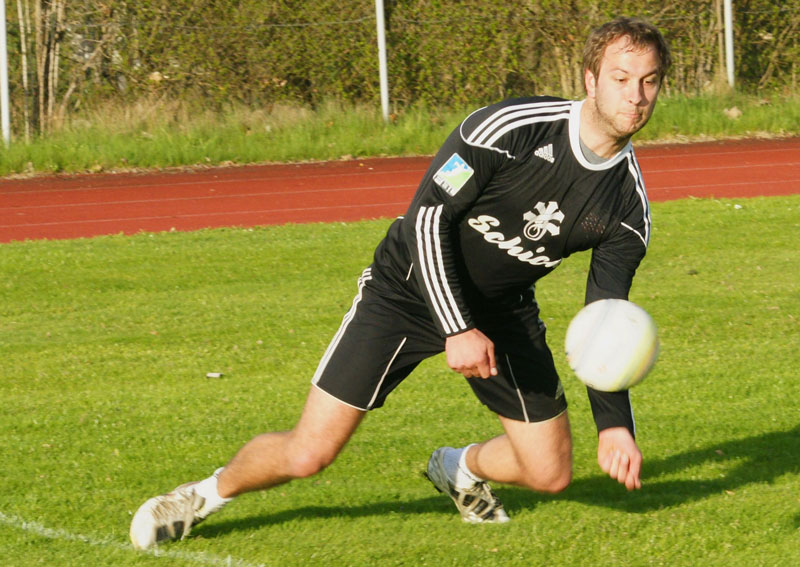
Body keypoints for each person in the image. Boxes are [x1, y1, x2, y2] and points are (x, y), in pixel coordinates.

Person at [129, 16, 672, 549]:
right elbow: (428, 218)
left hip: (502, 312)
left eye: (648, 81)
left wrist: (614, 426)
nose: (635, 96)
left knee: (549, 472)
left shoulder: (627, 208)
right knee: (309, 454)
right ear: (590, 79)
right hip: (406, 290)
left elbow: (607, 320)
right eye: (621, 78)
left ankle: (458, 468)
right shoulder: (509, 128)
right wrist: (457, 327)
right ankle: (202, 496)